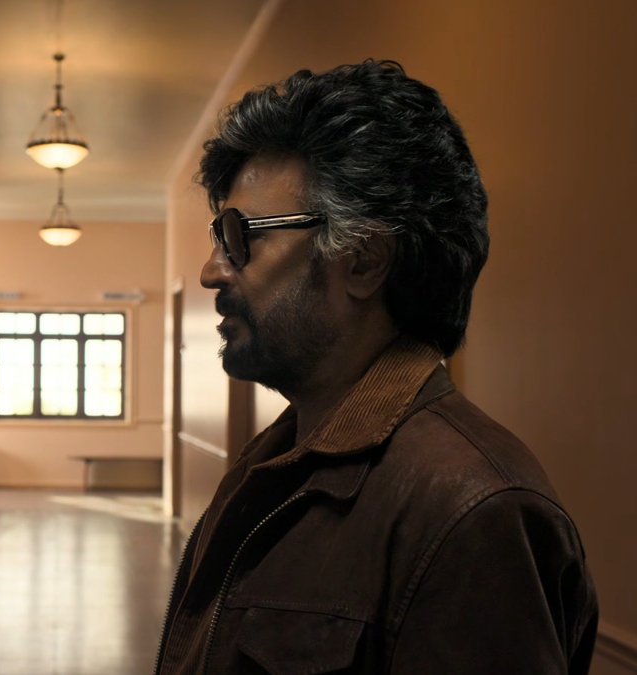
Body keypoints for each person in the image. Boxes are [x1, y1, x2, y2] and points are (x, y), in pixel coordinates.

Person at [154, 61, 598, 674]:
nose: (211, 270)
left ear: (364, 262)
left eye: (239, 235)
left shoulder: (476, 512)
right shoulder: (279, 457)